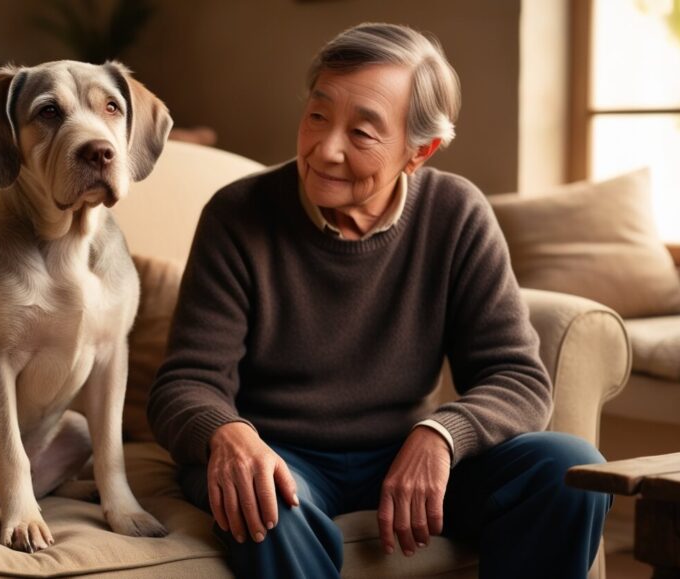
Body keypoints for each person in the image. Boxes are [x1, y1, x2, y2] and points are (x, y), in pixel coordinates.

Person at [147, 22, 610, 578]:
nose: (325, 149)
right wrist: (229, 433)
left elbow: (517, 377)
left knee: (570, 468)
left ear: (420, 152)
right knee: (263, 502)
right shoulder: (237, 215)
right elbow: (184, 384)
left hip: (404, 453)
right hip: (279, 456)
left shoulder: (456, 214)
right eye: (317, 115)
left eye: (362, 133)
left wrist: (441, 436)